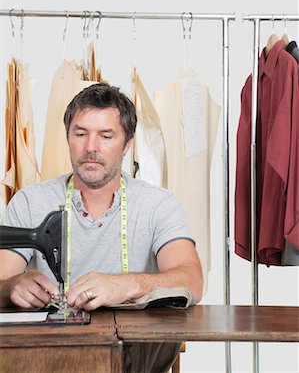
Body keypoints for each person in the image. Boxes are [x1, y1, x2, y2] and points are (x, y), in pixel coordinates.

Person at [0, 83, 203, 372]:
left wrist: (125, 285)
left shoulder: (157, 205)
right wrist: (11, 287)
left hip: (130, 358)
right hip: (48, 356)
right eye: (80, 134)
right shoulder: (31, 201)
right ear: (68, 136)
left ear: (128, 143)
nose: (90, 147)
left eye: (106, 136)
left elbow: (191, 280)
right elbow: (0, 281)